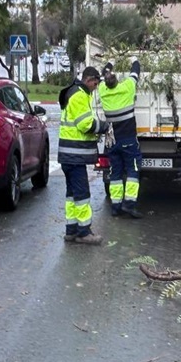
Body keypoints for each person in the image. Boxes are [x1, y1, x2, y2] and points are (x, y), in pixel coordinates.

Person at [58, 66, 109, 244]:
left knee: (72, 195)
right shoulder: (79, 95)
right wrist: (104, 126)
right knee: (82, 194)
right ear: (88, 80)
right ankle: (84, 232)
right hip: (74, 155)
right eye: (95, 83)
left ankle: (71, 230)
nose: (96, 86)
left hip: (68, 155)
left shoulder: (75, 92)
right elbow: (85, 124)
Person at [97, 59, 143, 218]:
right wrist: (134, 60)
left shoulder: (102, 90)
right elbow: (135, 72)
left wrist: (110, 62)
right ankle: (129, 205)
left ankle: (116, 207)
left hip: (113, 141)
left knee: (115, 173)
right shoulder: (127, 88)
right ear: (117, 82)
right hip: (129, 140)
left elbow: (103, 75)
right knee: (133, 171)